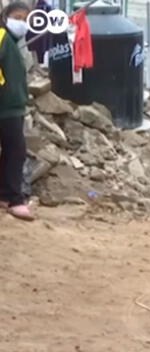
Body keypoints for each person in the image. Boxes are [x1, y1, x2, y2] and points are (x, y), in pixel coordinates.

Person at [0, 1, 35, 221]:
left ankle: (5, 194)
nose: (21, 23)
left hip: (12, 106)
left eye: (25, 19)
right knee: (16, 151)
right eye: (18, 18)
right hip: (5, 106)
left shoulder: (13, 41)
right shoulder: (3, 37)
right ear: (6, 16)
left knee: (10, 151)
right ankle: (14, 199)